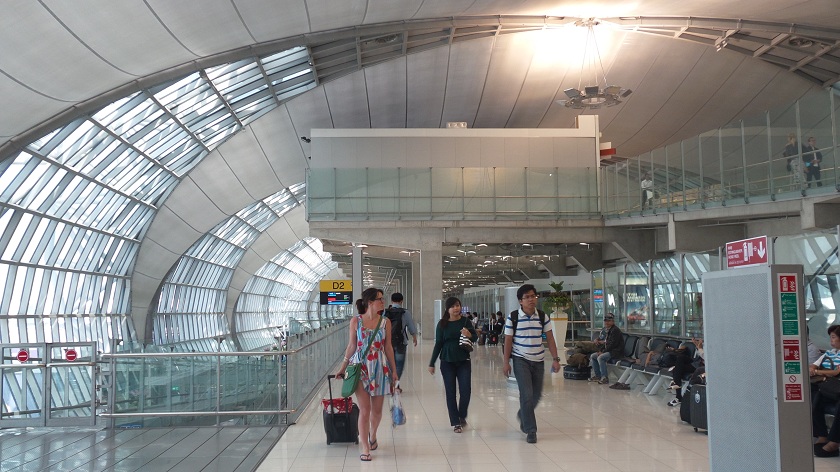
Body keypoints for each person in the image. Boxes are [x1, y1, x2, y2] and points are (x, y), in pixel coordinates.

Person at [335, 287, 398, 462]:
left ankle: (373, 435)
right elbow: (352, 346)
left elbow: (388, 347)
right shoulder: (356, 321)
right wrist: (343, 367)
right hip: (360, 367)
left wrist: (394, 370)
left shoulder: (385, 322)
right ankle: (365, 446)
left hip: (379, 367)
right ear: (370, 302)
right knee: (364, 410)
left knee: (376, 411)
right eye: (380, 299)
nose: (383, 302)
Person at [502, 284, 562, 444]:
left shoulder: (542, 316)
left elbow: (550, 338)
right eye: (527, 297)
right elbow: (508, 340)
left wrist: (556, 359)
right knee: (526, 394)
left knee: (536, 395)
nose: (531, 299)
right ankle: (531, 430)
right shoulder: (513, 317)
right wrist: (506, 362)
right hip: (520, 359)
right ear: (520, 301)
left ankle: (523, 414)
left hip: (538, 360)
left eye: (533, 296)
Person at [428, 296, 477, 433]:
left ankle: (461, 415)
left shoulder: (465, 321)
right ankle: (456, 422)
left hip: (463, 361)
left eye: (458, 305)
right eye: (453, 306)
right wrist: (432, 363)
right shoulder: (442, 324)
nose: (456, 308)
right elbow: (438, 344)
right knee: (450, 393)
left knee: (466, 391)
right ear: (447, 309)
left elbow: (475, 337)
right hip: (447, 362)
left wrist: (469, 334)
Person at [810, 325, 840, 458]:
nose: (831, 340)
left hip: (837, 387)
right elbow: (813, 365)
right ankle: (822, 435)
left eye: (833, 337)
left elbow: (836, 372)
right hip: (831, 387)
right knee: (816, 399)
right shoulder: (830, 353)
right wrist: (814, 369)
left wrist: (817, 372)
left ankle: (834, 442)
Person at [384, 292, 417, 387]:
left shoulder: (385, 312)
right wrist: (414, 337)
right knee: (399, 365)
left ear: (391, 301)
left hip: (387, 342)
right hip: (401, 342)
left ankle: (391, 384)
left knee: (389, 364)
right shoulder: (405, 312)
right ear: (402, 301)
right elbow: (411, 326)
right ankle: (395, 385)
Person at [667, 338, 705, 407]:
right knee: (680, 358)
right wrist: (697, 346)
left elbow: (705, 357)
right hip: (696, 362)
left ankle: (678, 397)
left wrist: (699, 348)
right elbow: (700, 355)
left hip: (701, 367)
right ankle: (678, 395)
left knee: (676, 370)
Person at [588, 312, 622, 385]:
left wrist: (603, 352)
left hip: (615, 352)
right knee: (593, 356)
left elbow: (612, 345)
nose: (607, 322)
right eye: (606, 321)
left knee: (601, 357)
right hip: (609, 351)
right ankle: (598, 376)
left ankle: (604, 377)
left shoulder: (615, 330)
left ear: (613, 321)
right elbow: (606, 343)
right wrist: (600, 351)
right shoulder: (607, 330)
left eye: (609, 321)